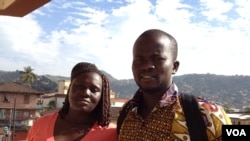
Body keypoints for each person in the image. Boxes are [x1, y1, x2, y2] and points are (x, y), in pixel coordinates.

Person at [117, 29, 232, 141]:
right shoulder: (126, 112)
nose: (146, 66)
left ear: (175, 67)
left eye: (157, 59)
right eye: (139, 60)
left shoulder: (208, 114)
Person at [27, 62, 117, 141]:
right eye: (79, 86)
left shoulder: (111, 134)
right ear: (70, 88)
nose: (86, 93)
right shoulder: (41, 124)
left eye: (94, 89)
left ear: (102, 96)